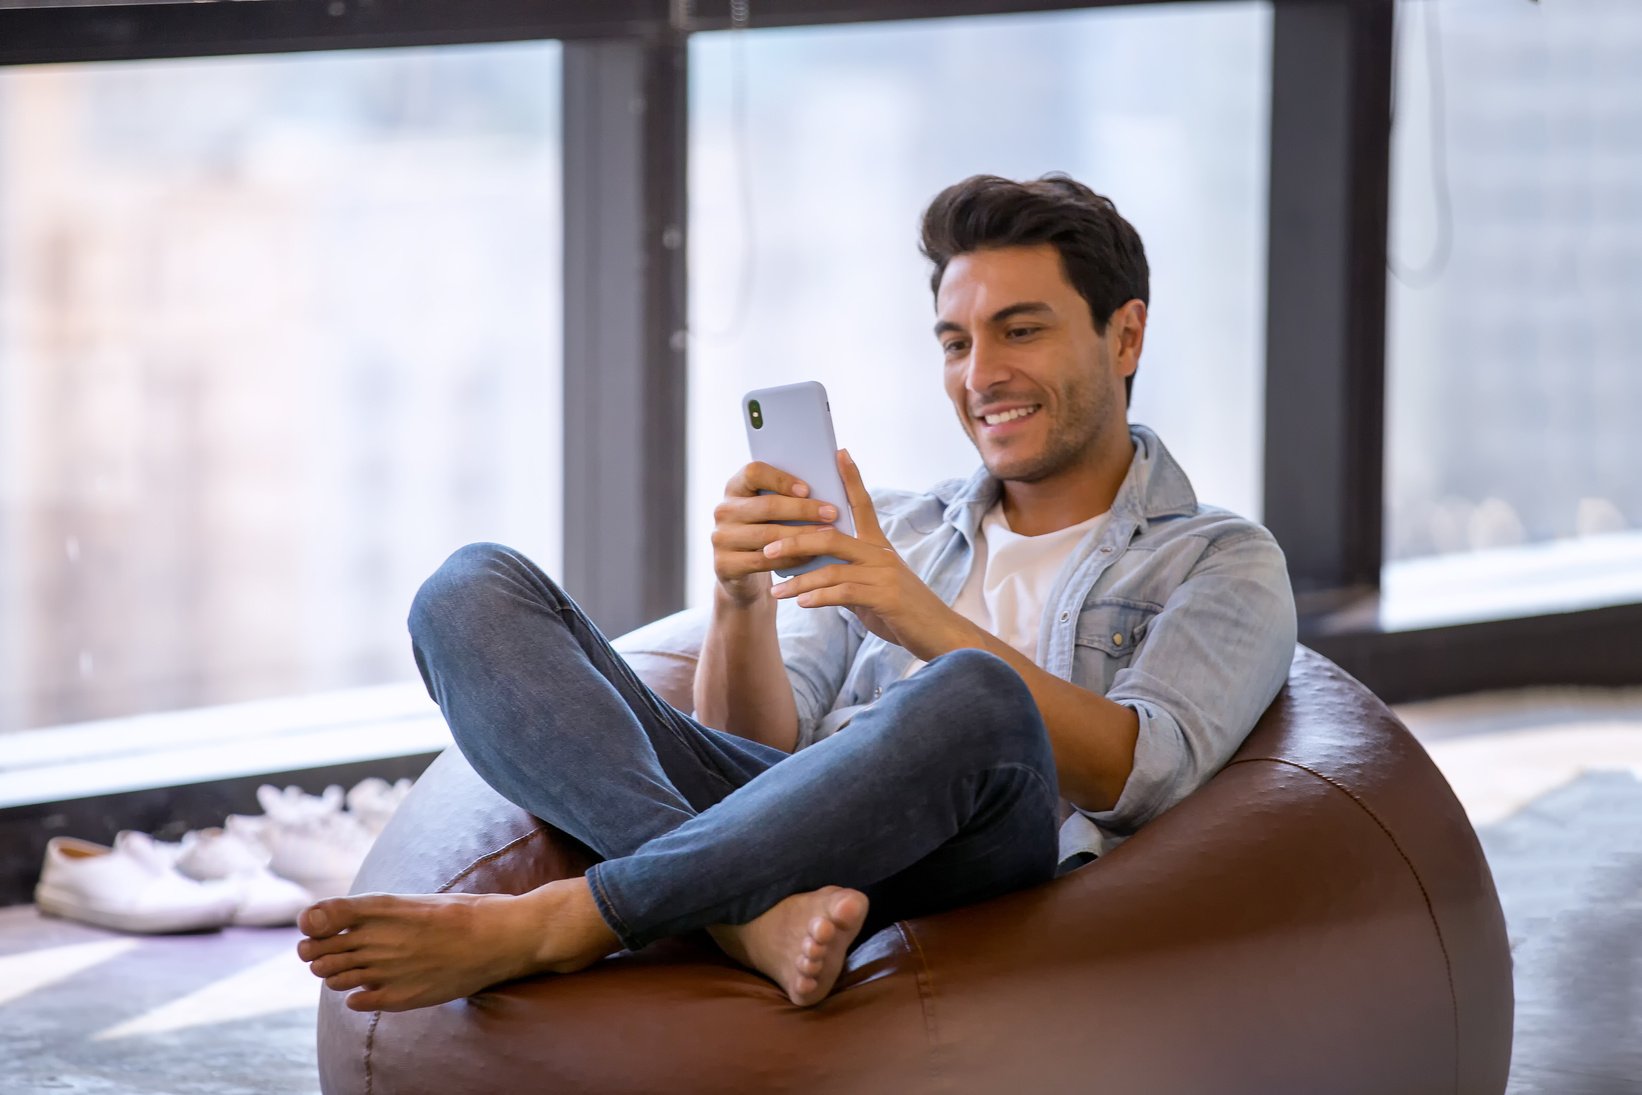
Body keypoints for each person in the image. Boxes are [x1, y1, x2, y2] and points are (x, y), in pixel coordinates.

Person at [296, 173, 1297, 1014]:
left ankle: (572, 919)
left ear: (1123, 339)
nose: (981, 374)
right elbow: (769, 761)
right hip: (792, 841)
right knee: (472, 588)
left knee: (971, 699)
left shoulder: (1217, 559)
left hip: (975, 860)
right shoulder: (901, 523)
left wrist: (916, 618)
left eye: (1019, 331)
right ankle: (737, 919)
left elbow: (1145, 773)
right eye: (954, 342)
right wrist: (740, 604)